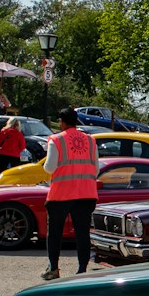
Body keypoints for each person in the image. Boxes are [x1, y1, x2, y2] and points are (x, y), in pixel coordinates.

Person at [42, 106, 100, 280]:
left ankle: (53, 268)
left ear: (61, 122)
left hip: (61, 194)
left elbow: (50, 167)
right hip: (87, 193)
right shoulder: (91, 141)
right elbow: (96, 169)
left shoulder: (56, 140)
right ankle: (82, 269)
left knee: (55, 233)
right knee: (82, 233)